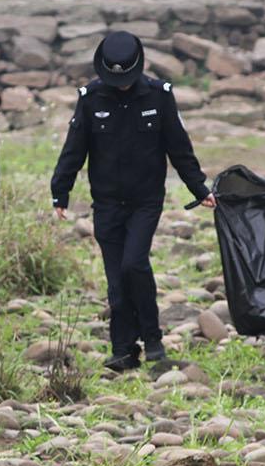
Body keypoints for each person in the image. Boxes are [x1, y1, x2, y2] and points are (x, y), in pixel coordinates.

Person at [49, 31, 214, 372]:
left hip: (145, 200)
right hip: (106, 202)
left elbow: (179, 148)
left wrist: (199, 188)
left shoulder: (159, 95)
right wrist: (60, 192)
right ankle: (123, 349)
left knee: (134, 264)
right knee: (116, 278)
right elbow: (74, 149)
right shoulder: (91, 98)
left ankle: (152, 338)